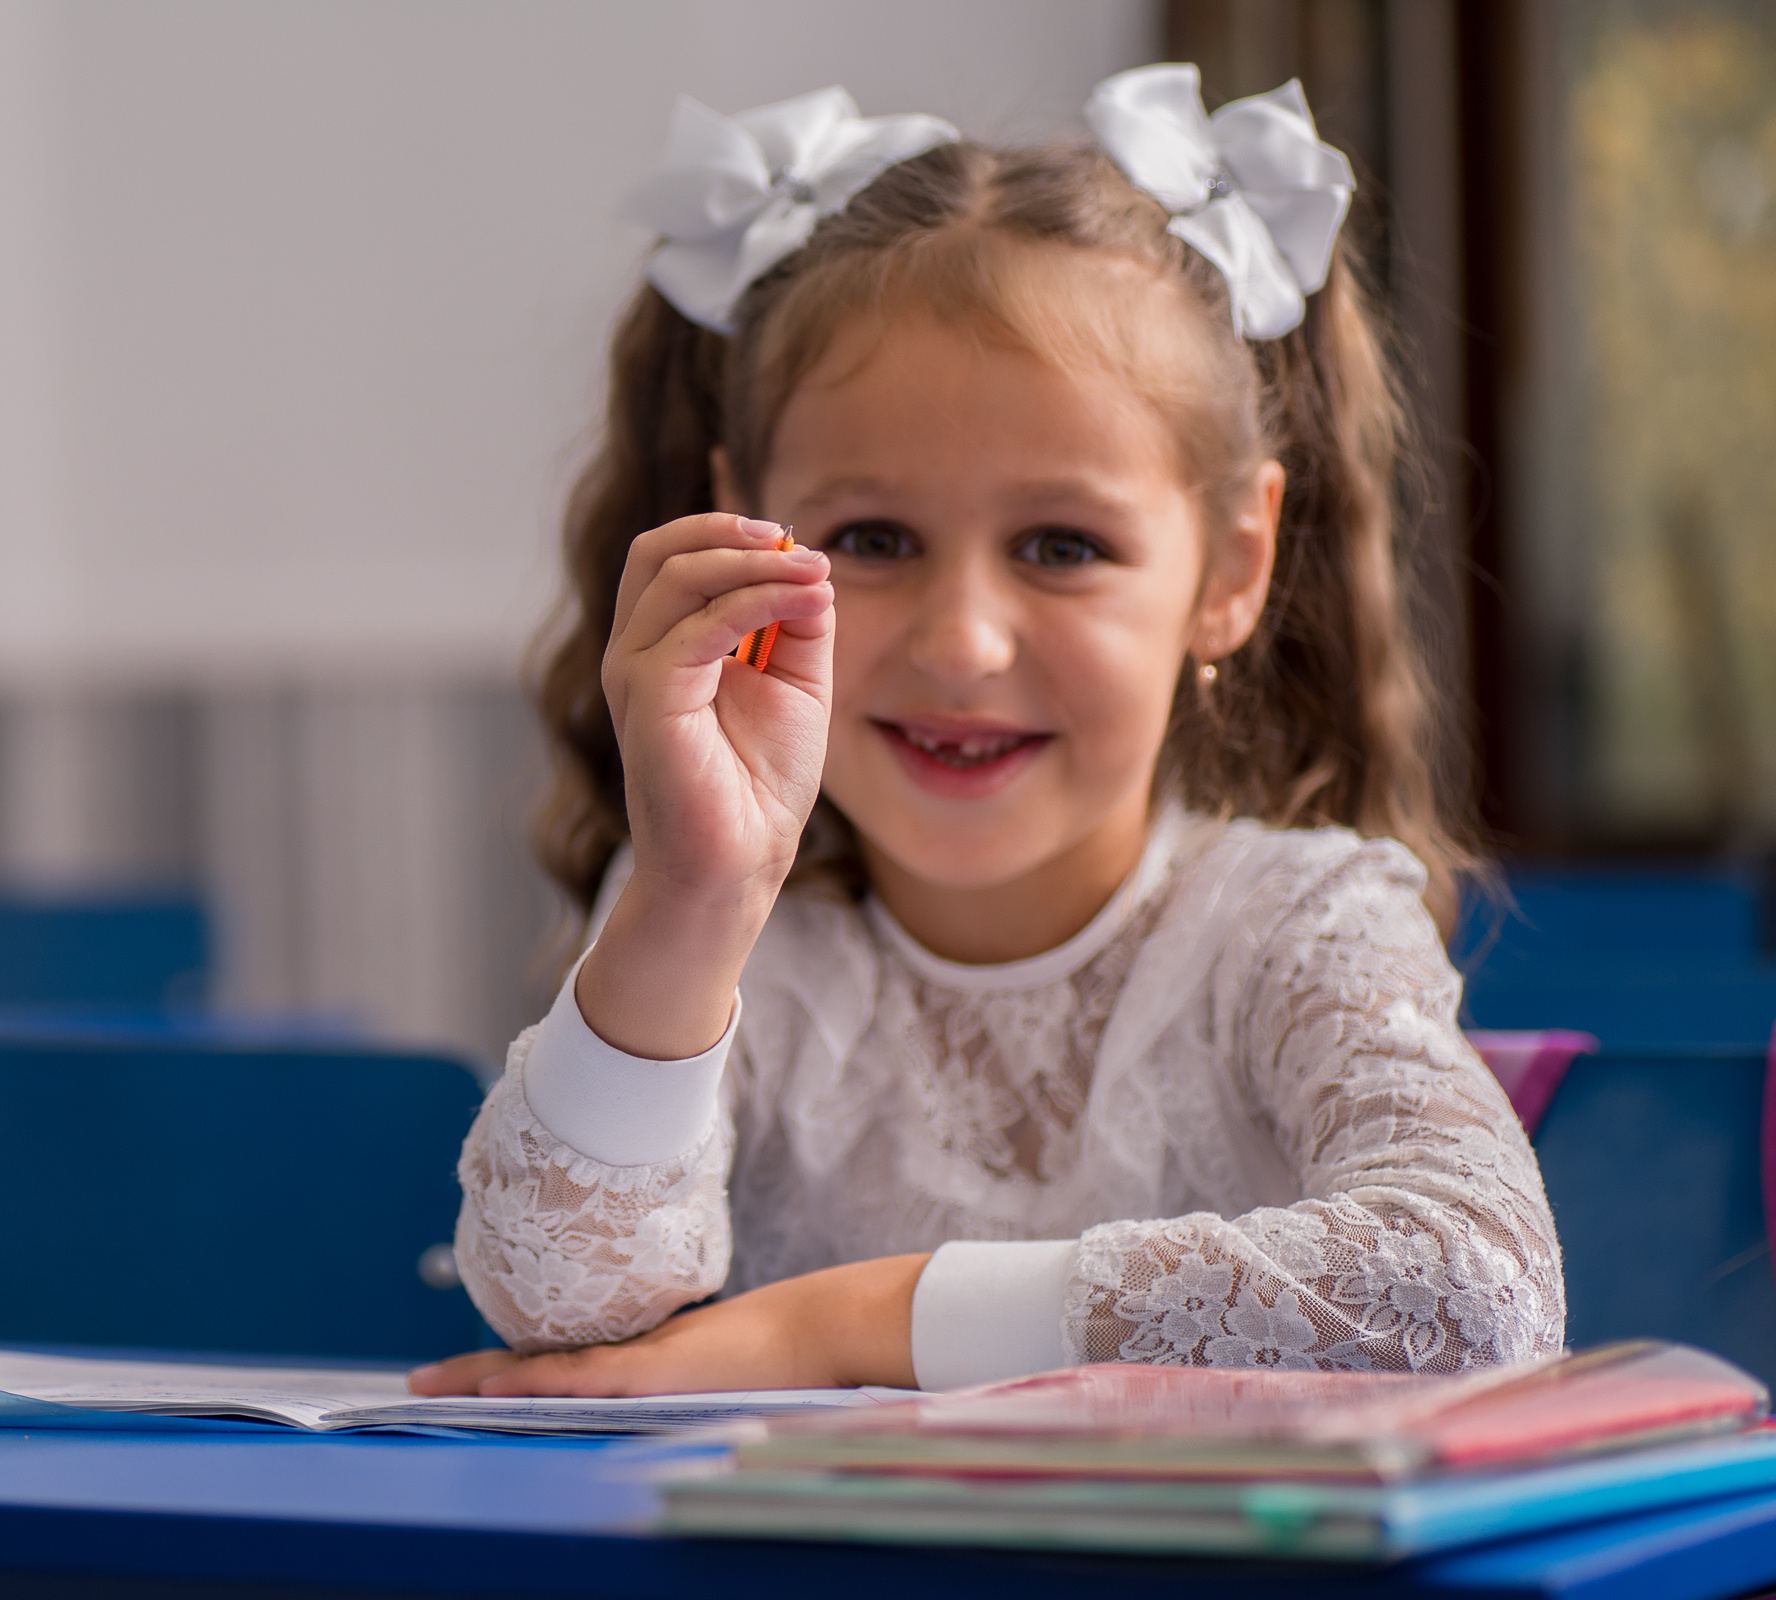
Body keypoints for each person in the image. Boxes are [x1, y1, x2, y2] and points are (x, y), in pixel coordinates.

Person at [410, 67, 1563, 1400]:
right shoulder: (730, 937)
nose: (962, 644)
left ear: (1233, 566)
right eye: (873, 538)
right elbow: (556, 1305)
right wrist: (696, 895)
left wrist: (837, 1326)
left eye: (1062, 546)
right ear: (746, 532)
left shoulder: (1298, 930)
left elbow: (1479, 1289)